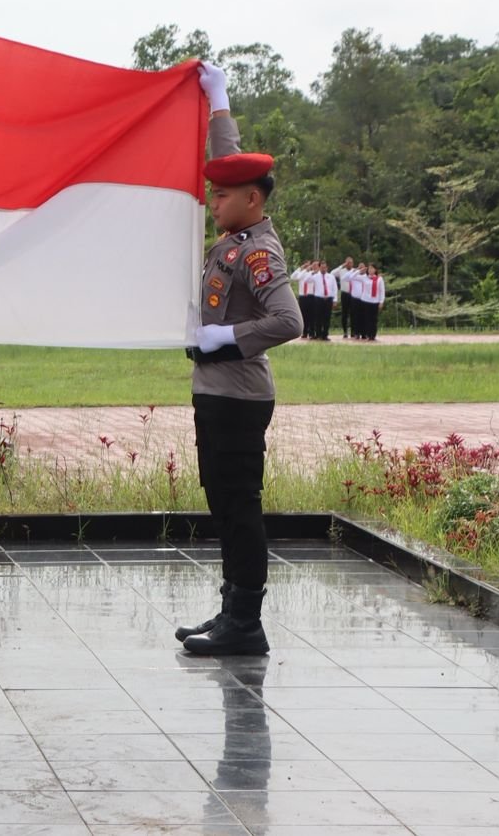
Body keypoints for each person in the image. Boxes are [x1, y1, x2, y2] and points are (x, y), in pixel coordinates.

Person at [177, 64, 303, 657]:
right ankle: (233, 610)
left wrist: (223, 337)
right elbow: (228, 158)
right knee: (222, 503)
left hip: (238, 394)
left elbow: (289, 321)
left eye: (222, 196)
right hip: (215, 391)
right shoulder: (239, 228)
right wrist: (217, 99)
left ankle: (246, 624)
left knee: (239, 506)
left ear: (251, 201)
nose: (213, 199)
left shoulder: (260, 253)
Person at [331, 257, 358, 339]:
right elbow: (332, 273)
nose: (350, 264)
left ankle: (353, 331)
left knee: (353, 313)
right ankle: (345, 331)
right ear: (345, 263)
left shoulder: (355, 271)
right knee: (344, 313)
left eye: (351, 262)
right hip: (345, 293)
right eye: (348, 262)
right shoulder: (341, 271)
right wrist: (341, 266)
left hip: (353, 294)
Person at [357, 264, 385, 340]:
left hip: (375, 301)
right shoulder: (364, 278)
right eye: (369, 269)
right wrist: (359, 271)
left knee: (374, 319)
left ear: (375, 270)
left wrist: (381, 302)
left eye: (372, 268)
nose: (370, 270)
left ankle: (373, 335)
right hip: (366, 301)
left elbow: (382, 291)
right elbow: (349, 277)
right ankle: (368, 334)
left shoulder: (379, 279)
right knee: (367, 319)